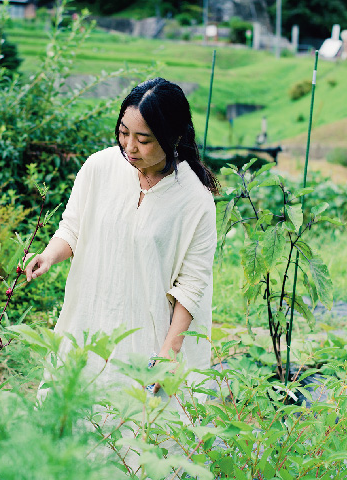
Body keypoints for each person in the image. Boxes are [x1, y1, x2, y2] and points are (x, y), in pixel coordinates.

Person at [25, 77, 219, 395]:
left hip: (146, 340)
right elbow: (72, 228)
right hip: (87, 323)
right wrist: (48, 255)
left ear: (174, 137)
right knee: (71, 422)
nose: (129, 147)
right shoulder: (99, 168)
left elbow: (192, 287)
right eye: (124, 133)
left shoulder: (195, 200)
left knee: (136, 433)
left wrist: (169, 353)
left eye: (143, 139)